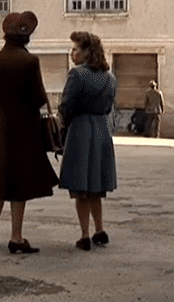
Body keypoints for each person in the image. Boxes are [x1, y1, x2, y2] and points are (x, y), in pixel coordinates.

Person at [0, 11, 59, 254]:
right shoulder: (29, 62)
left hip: (3, 127)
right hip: (25, 128)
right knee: (20, 182)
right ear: (25, 38)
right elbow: (38, 99)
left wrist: (2, 112)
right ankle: (16, 236)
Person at [59, 31, 117, 251]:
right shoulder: (110, 78)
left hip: (80, 129)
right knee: (96, 186)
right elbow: (110, 107)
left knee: (80, 187)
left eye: (75, 49)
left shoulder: (77, 75)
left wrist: (63, 126)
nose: (72, 53)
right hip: (102, 129)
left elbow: (67, 106)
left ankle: (84, 234)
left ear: (86, 53)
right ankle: (100, 229)